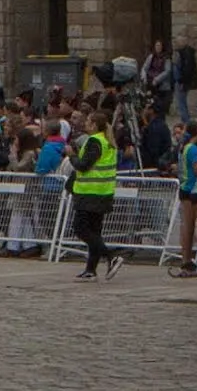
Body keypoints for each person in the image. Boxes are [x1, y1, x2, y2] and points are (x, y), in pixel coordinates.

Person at [67, 114, 123, 276]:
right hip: (103, 191)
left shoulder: (94, 141)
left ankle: (111, 256)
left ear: (94, 125)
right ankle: (91, 269)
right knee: (94, 230)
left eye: (88, 121)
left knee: (81, 228)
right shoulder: (107, 142)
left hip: (90, 192)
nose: (85, 123)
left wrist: (71, 155)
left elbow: (84, 165)